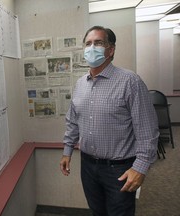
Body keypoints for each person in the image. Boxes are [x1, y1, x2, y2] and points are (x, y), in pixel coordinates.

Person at [60, 26, 159, 216]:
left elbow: (147, 130)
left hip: (119, 169)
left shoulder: (130, 82)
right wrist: (67, 151)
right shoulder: (80, 84)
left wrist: (141, 167)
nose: (91, 48)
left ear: (110, 50)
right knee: (97, 212)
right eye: (88, 43)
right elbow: (73, 120)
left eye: (98, 43)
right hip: (87, 166)